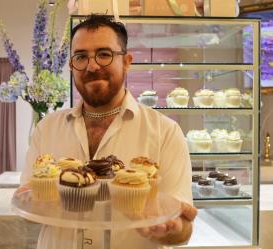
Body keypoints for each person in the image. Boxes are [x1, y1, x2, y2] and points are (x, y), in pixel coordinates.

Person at [19, 14, 197, 249]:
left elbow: (182, 227)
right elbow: (30, 205)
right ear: (72, 65)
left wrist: (172, 229)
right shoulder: (47, 129)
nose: (92, 66)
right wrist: (31, 200)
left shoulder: (166, 132)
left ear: (126, 61)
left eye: (104, 54)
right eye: (81, 57)